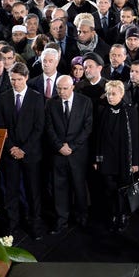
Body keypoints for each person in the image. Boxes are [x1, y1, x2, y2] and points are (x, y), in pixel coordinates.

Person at [0, 62, 46, 239]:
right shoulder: (3, 97)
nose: (15, 83)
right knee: (11, 191)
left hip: (30, 153)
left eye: (18, 79)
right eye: (12, 79)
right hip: (10, 153)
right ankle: (12, 224)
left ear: (26, 78)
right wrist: (12, 148)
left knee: (33, 191)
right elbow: (1, 127)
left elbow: (39, 128)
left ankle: (35, 224)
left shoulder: (36, 97)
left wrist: (23, 149)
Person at [46, 76, 93, 233]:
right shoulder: (51, 103)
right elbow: (49, 128)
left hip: (77, 153)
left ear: (72, 87)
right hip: (58, 153)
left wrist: (71, 146)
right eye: (59, 88)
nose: (61, 92)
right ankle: (61, 220)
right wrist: (59, 146)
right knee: (59, 188)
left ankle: (82, 217)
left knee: (79, 187)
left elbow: (87, 128)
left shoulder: (85, 102)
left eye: (65, 88)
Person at [94, 80, 139, 231]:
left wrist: (134, 162)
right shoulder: (103, 109)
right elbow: (98, 136)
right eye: (108, 94)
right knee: (108, 188)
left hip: (123, 158)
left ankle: (123, 215)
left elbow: (134, 138)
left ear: (121, 94)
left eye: (113, 94)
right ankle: (113, 213)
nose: (110, 97)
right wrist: (97, 158)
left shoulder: (129, 111)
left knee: (122, 188)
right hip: (106, 157)